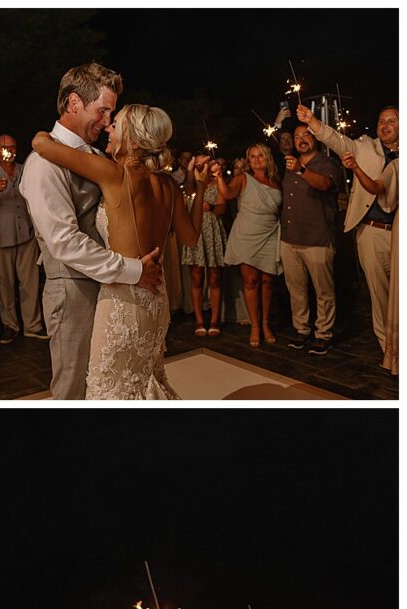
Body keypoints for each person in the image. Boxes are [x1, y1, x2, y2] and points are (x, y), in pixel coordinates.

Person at [30, 105, 208, 399]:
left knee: (109, 391)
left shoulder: (114, 174)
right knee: (144, 381)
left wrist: (46, 129)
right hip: (156, 299)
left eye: (116, 124)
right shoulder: (169, 186)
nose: (108, 128)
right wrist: (200, 189)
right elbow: (191, 238)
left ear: (135, 141)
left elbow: (41, 145)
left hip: (122, 301)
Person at [18, 63, 163, 399]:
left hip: (114, 292)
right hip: (73, 292)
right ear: (73, 104)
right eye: (102, 110)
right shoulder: (43, 165)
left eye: (111, 113)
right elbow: (64, 243)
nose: (107, 122)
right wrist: (133, 270)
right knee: (73, 391)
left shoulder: (98, 156)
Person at [298, 103, 398, 366]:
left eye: (392, 121)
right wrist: (313, 122)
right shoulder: (365, 146)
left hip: (401, 235)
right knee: (379, 296)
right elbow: (335, 139)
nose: (385, 125)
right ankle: (391, 355)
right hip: (373, 232)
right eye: (381, 121)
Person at [276, 123, 344, 355]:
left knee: (323, 290)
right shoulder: (287, 164)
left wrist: (301, 170)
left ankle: (324, 333)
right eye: (297, 136)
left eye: (306, 134)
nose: (301, 139)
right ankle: (301, 330)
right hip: (290, 237)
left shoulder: (328, 163)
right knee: (296, 288)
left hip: (318, 237)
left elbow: (324, 184)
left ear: (316, 138)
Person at [0, 134, 45, 342]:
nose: (9, 150)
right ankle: (10, 325)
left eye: (12, 146)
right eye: (4, 147)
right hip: (0, 235)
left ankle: (32, 325)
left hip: (26, 232)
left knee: (30, 282)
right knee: (5, 283)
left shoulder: (25, 170)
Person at [216, 144, 283, 347]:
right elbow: (227, 194)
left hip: (270, 232)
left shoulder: (276, 180)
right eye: (252, 156)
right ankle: (255, 326)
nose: (256, 159)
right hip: (246, 233)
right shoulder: (243, 178)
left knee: (267, 282)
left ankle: (265, 324)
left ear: (267, 158)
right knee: (251, 281)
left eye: (260, 155)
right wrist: (218, 175)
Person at [180, 158, 227, 337]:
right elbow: (187, 188)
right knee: (197, 277)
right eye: (198, 164)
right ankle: (199, 320)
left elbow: (223, 208)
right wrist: (191, 169)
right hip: (195, 232)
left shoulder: (217, 182)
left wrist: (213, 206)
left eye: (204, 164)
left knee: (215, 277)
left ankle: (214, 319)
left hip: (212, 231)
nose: (202, 166)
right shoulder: (192, 186)